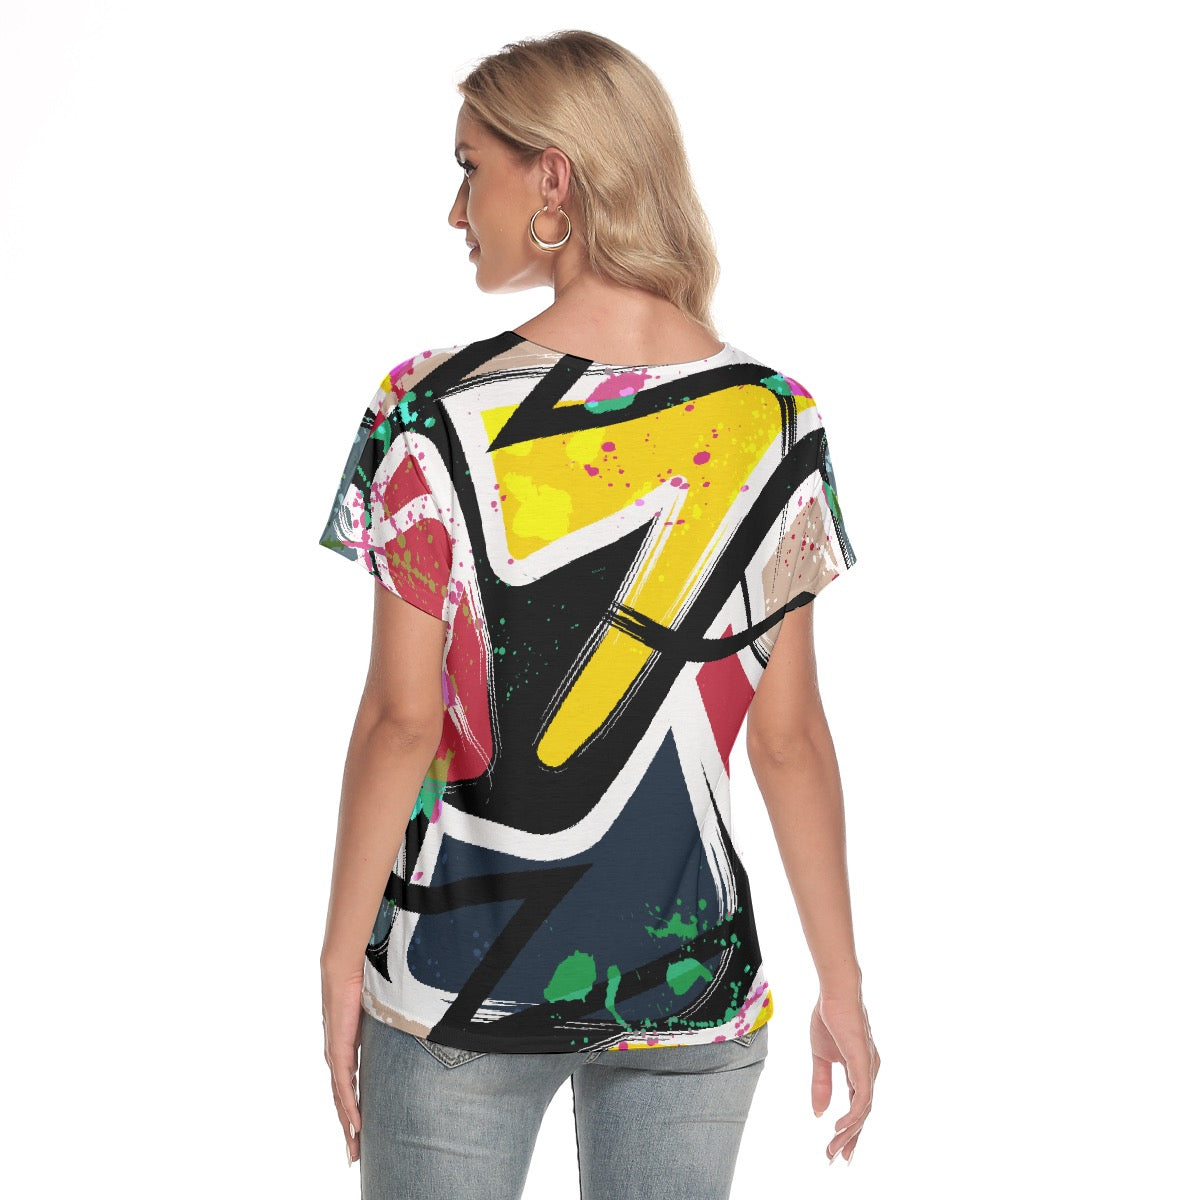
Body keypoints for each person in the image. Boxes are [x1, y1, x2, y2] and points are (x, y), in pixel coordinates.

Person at [317, 28, 880, 1200]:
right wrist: (843, 985)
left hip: (455, 983)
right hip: (691, 990)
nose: (456, 208)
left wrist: (335, 958)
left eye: (471, 168)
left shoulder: (426, 412)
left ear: (553, 178)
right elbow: (788, 738)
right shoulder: (776, 419)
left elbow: (398, 722)